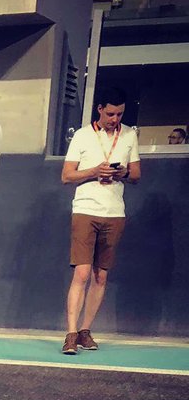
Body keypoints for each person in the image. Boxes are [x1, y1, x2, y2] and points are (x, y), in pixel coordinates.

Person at [60, 86, 141, 355]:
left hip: (114, 211)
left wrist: (122, 173)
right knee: (81, 273)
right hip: (85, 209)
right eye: (110, 113)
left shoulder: (129, 135)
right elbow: (67, 175)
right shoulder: (83, 136)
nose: (114, 119)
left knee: (101, 276)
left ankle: (85, 331)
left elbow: (137, 174)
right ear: (99, 110)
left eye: (119, 114)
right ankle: (70, 334)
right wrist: (95, 171)